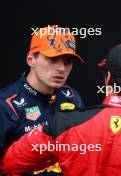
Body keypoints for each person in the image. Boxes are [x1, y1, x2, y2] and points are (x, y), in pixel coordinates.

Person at [1, 43, 121, 176]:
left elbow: (9, 163)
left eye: (67, 62)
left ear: (108, 77)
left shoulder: (65, 124)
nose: (60, 68)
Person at [0, 25, 85, 175]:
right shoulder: (5, 105)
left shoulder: (71, 97)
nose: (61, 68)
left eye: (68, 61)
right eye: (52, 59)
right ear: (31, 59)